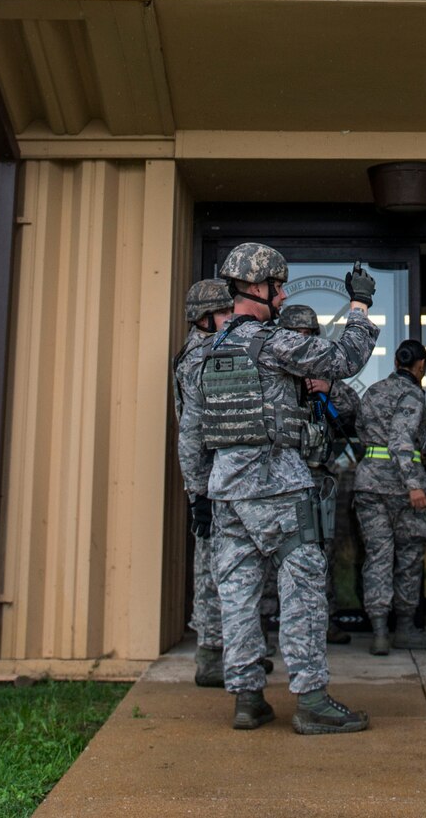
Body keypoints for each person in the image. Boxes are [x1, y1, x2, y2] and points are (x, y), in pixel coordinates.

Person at [184, 244, 378, 734]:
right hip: (279, 489)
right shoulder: (271, 342)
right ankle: (311, 701)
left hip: (226, 494)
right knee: (302, 593)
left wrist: (198, 496)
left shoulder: (204, 351)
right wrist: (359, 306)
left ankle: (248, 699)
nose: (285, 293)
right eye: (279, 285)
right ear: (257, 288)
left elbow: (192, 432)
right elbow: (343, 357)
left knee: (238, 596)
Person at [278, 302, 362, 644]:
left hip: (317, 478)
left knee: (318, 552)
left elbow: (354, 413)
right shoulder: (272, 371)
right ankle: (272, 624)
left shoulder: (326, 374)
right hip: (278, 479)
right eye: (295, 335)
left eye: (307, 335)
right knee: (275, 551)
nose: (302, 340)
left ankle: (323, 621)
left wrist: (329, 390)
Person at [352, 339, 426, 655]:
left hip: (369, 484)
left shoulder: (373, 391)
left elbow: (361, 431)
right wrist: (414, 483)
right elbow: (401, 440)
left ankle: (378, 632)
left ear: (396, 364)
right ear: (420, 366)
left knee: (377, 555)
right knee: (408, 558)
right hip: (403, 490)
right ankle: (404, 628)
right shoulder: (413, 394)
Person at [173, 277, 237, 686]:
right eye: (224, 313)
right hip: (211, 484)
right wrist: (199, 493)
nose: (231, 318)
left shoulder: (209, 350)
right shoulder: (200, 359)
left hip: (220, 480)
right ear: (204, 318)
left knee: (226, 568)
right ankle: (211, 658)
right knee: (213, 571)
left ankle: (228, 655)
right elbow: (192, 434)